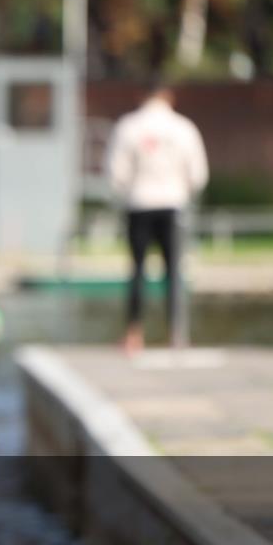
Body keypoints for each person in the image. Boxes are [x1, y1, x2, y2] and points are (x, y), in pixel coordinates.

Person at [105, 84, 208, 354]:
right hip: (173, 204)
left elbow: (116, 172)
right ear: (169, 97)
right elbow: (198, 173)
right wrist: (181, 191)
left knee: (137, 270)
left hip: (139, 204)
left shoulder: (128, 126)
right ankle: (177, 335)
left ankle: (133, 335)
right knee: (174, 271)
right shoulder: (183, 127)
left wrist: (131, 191)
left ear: (142, 96)